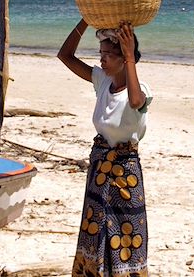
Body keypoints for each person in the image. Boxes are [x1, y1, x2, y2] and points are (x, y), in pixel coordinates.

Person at [58, 19, 153, 277]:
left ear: (124, 58)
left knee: (126, 232)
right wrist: (85, 22)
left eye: (108, 55)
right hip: (99, 171)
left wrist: (131, 55)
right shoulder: (102, 81)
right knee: (94, 230)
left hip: (125, 174)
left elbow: (135, 101)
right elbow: (64, 55)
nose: (102, 61)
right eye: (101, 54)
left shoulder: (140, 90)